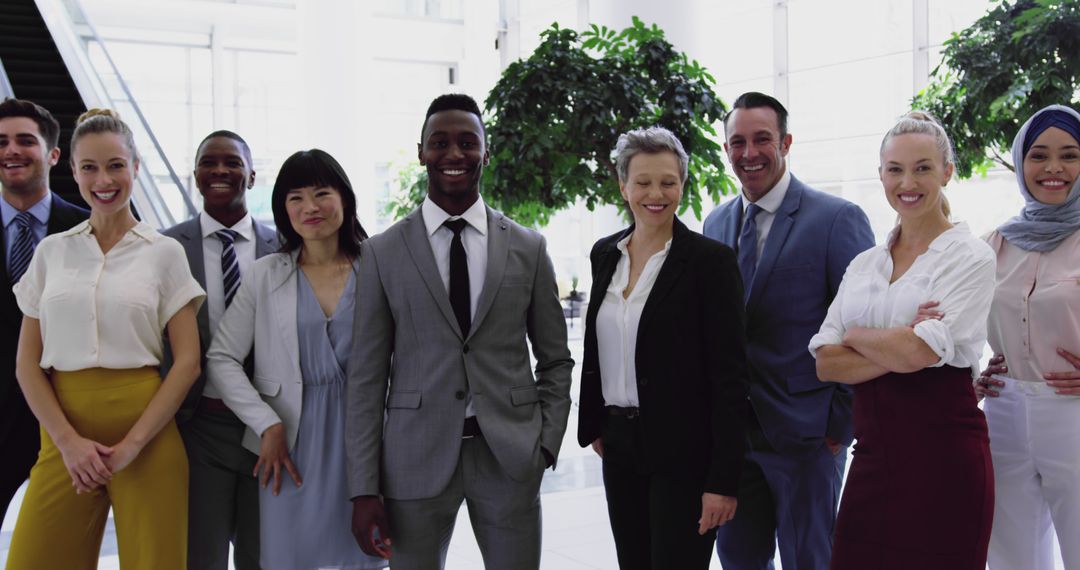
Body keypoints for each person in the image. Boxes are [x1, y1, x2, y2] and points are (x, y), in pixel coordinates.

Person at [346, 93, 573, 570]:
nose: (454, 154)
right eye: (440, 142)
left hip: (510, 455)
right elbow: (366, 378)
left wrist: (546, 444)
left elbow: (555, 358)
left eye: (468, 143)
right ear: (421, 151)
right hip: (413, 459)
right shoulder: (382, 253)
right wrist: (364, 486)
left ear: (485, 153)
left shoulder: (528, 248)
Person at [6, 108, 204, 568]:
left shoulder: (165, 253)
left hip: (148, 437)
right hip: (62, 433)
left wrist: (133, 445)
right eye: (90, 167)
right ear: (71, 170)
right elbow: (26, 364)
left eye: (116, 165)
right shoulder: (51, 252)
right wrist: (68, 443)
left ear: (135, 167)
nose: (104, 179)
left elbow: (188, 362)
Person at [810, 111, 995, 569]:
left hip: (946, 465)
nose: (907, 181)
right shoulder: (864, 265)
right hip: (873, 463)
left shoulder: (971, 256)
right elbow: (826, 363)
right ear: (881, 175)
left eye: (923, 167)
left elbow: (918, 352)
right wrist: (896, 341)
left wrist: (859, 337)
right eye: (895, 169)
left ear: (947, 172)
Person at [702, 92, 874, 570]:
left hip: (806, 438)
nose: (749, 152)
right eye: (738, 141)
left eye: (762, 139)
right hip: (734, 442)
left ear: (786, 142)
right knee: (739, 561)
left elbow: (862, 327)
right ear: (726, 148)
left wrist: (839, 427)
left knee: (809, 562)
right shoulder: (714, 223)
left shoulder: (836, 219)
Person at [576, 126, 748, 569]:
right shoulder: (604, 255)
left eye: (668, 182)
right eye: (644, 182)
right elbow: (600, 345)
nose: (656, 193)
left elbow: (730, 378)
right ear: (623, 185)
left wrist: (723, 481)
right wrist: (595, 419)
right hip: (619, 444)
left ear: (682, 185)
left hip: (685, 451)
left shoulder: (711, 263)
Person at [206, 149, 385, 570]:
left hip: (365, 440)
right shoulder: (266, 274)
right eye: (295, 197)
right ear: (282, 209)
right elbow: (222, 357)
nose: (310, 207)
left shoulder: (378, 268)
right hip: (289, 447)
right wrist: (265, 422)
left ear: (344, 198)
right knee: (289, 560)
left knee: (363, 558)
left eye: (322, 193)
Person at [162, 130, 278, 569]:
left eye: (232, 163)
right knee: (199, 557)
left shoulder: (285, 246)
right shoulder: (166, 248)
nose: (220, 171)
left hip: (269, 428)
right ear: (195, 176)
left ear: (251, 176)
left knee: (264, 555)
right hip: (197, 428)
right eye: (209, 163)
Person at [976, 104, 1080, 570]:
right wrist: (969, 378)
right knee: (1010, 552)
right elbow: (953, 325)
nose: (1053, 168)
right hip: (1003, 412)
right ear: (1021, 164)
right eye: (1039, 155)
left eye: (1070, 155)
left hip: (1073, 410)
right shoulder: (994, 242)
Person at [0, 97, 88, 522]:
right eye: (0, 142)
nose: (10, 150)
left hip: (73, 412)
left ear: (53, 154)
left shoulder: (91, 230)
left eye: (24, 141)